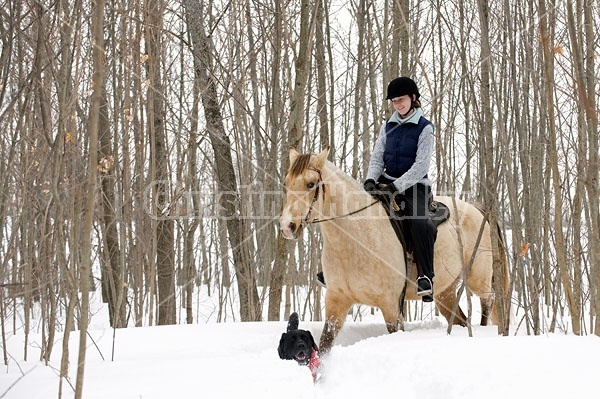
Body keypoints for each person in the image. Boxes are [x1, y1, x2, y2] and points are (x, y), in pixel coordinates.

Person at [363, 76, 436, 302]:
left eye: (401, 100)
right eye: (394, 101)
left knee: (419, 221)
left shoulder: (425, 128)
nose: (398, 105)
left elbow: (421, 166)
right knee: (358, 210)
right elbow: (377, 157)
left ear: (413, 98)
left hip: (415, 186)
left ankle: (425, 277)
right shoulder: (388, 125)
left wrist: (396, 186)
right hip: (386, 181)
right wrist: (370, 180)